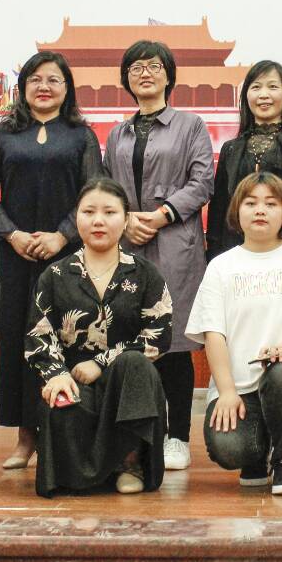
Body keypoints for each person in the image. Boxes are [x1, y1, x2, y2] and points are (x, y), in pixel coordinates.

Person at [0, 51, 102, 470]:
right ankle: (25, 437)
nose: (44, 87)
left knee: (68, 336)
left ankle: (65, 433)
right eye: (35, 80)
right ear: (23, 87)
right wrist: (10, 234)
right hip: (16, 254)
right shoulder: (4, 133)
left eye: (53, 80)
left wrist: (62, 234)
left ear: (67, 88)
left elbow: (93, 192)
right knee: (19, 337)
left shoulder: (81, 136)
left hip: (67, 254)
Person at [103, 40, 213, 472]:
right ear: (126, 79)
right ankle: (141, 435)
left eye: (153, 66)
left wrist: (163, 213)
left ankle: (178, 437)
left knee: (174, 343)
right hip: (127, 242)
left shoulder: (191, 125)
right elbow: (107, 186)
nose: (144, 73)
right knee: (130, 337)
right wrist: (126, 218)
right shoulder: (118, 133)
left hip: (175, 242)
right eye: (135, 67)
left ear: (169, 75)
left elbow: (202, 182)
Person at [26, 178, 173, 498]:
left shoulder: (145, 274)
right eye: (88, 212)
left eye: (109, 212)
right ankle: (84, 473)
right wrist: (57, 374)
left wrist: (102, 362)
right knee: (61, 398)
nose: (98, 220)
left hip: (127, 385)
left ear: (126, 219)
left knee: (136, 364)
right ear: (76, 217)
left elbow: (159, 337)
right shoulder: (55, 275)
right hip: (75, 380)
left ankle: (130, 463)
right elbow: (39, 335)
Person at [188, 173, 282, 495]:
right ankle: (256, 455)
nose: (260, 210)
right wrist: (226, 391)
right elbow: (214, 335)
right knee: (230, 449)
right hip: (238, 387)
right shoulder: (220, 266)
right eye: (251, 203)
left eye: (270, 203)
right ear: (237, 211)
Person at [206, 61, 282, 262]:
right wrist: (214, 257)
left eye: (272, 87)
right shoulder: (231, 149)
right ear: (246, 95)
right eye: (256, 87)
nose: (264, 95)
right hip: (237, 256)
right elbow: (218, 211)